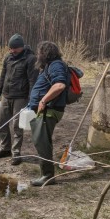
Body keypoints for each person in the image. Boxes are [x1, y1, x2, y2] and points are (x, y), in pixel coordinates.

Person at [0, 34, 38, 165]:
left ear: (21, 47)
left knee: (17, 125)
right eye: (10, 49)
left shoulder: (31, 59)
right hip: (6, 95)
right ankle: (4, 149)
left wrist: (31, 100)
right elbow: (2, 76)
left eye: (14, 49)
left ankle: (16, 153)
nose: (12, 51)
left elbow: (32, 81)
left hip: (21, 97)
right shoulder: (8, 58)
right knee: (2, 123)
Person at [28, 41, 68, 186]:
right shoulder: (49, 66)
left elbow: (59, 85)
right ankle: (46, 174)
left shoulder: (56, 65)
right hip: (46, 110)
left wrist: (43, 101)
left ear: (45, 53)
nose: (37, 55)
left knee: (43, 143)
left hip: (50, 110)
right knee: (41, 142)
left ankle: (48, 176)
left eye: (39, 52)